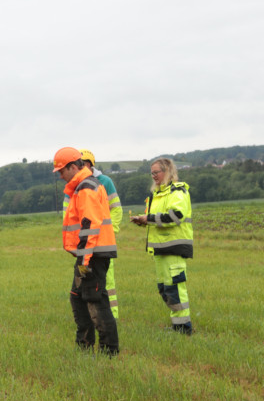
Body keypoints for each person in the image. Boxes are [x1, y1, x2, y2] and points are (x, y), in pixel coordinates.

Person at [54, 147, 119, 355]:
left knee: (95, 300)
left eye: (62, 171)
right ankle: (84, 344)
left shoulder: (86, 188)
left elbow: (90, 225)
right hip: (89, 253)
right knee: (77, 296)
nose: (61, 176)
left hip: (93, 254)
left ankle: (109, 351)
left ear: (73, 167)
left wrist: (84, 259)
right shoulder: (81, 186)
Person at [130, 158, 194, 334]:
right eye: (152, 173)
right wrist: (144, 221)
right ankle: (177, 325)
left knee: (175, 288)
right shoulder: (157, 194)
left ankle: (184, 328)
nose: (154, 176)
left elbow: (175, 216)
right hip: (160, 249)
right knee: (165, 289)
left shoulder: (177, 191)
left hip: (174, 248)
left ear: (167, 171)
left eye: (156, 172)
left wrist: (148, 219)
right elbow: (159, 219)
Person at [80, 149, 122, 319]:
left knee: (107, 281)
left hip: (103, 242)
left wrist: (109, 233)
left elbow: (116, 210)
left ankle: (112, 317)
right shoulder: (75, 184)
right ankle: (92, 315)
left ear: (89, 165)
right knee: (84, 277)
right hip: (84, 241)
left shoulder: (105, 181)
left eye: (80, 164)